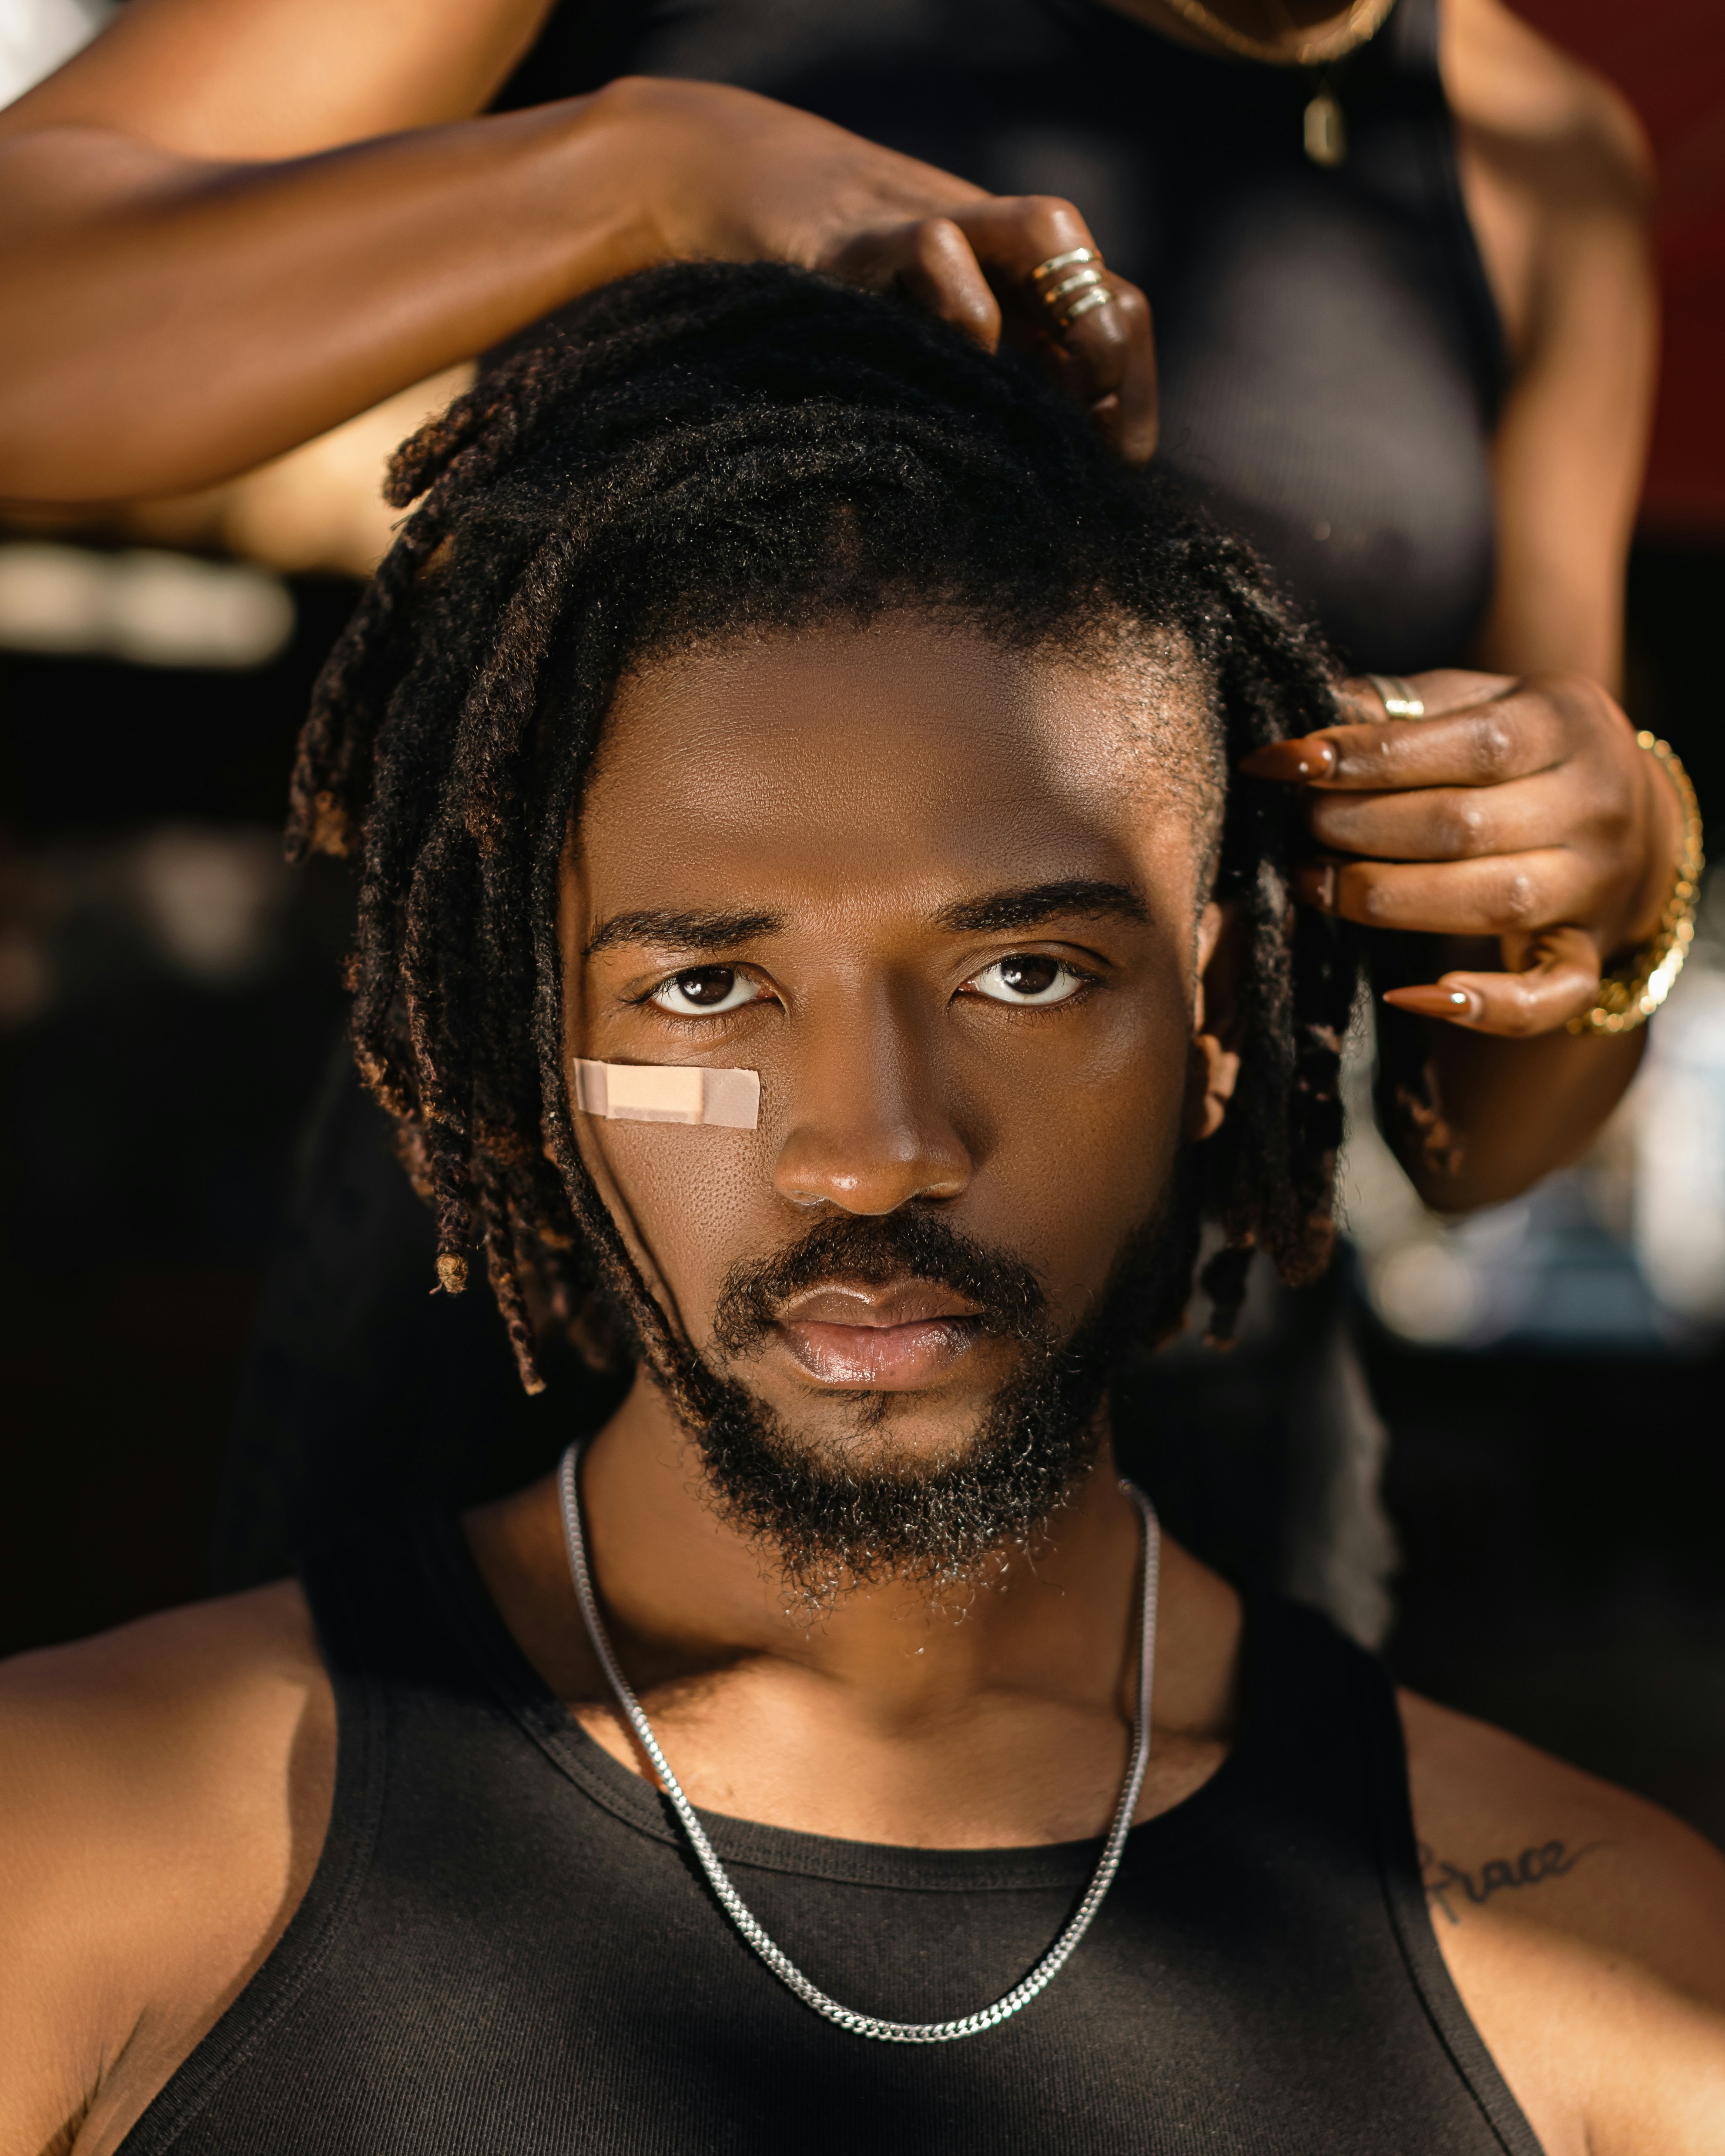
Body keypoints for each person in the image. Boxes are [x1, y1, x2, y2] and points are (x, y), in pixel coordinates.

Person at [3, 264, 1719, 2156]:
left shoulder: (1610, 1991)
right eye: (707, 987)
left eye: (1027, 977)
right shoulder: (75, 1859)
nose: (872, 1152)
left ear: (1217, 1023)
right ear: (539, 1041)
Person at [0, 0, 1683, 1616]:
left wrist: (1621, 888)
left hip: (1171, 1403)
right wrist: (636, 175)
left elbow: (1478, 1145)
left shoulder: (1540, 160)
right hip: (561, 1305)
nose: (882, 1150)